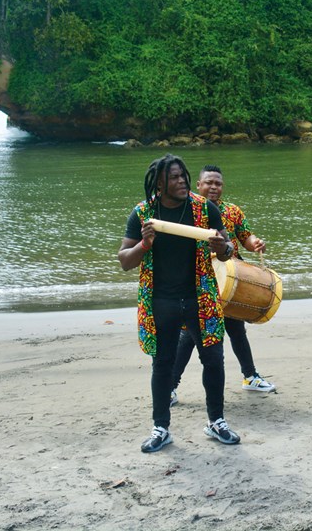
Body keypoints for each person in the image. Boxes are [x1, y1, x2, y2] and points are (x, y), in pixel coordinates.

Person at [117, 154, 241, 453]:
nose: (182, 181)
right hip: (162, 299)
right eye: (174, 177)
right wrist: (144, 244)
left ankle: (216, 421)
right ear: (159, 183)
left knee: (213, 360)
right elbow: (124, 261)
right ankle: (161, 427)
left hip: (202, 297)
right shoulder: (144, 213)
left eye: (183, 175)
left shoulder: (203, 209)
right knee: (162, 363)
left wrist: (222, 247)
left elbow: (227, 251)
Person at [169, 164, 276, 399]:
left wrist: (256, 243)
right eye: (209, 182)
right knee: (188, 335)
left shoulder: (232, 211)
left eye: (218, 183)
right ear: (198, 185)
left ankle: (250, 377)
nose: (214, 187)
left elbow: (246, 237)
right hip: (198, 284)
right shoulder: (187, 211)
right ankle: (171, 386)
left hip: (231, 282)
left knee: (237, 329)